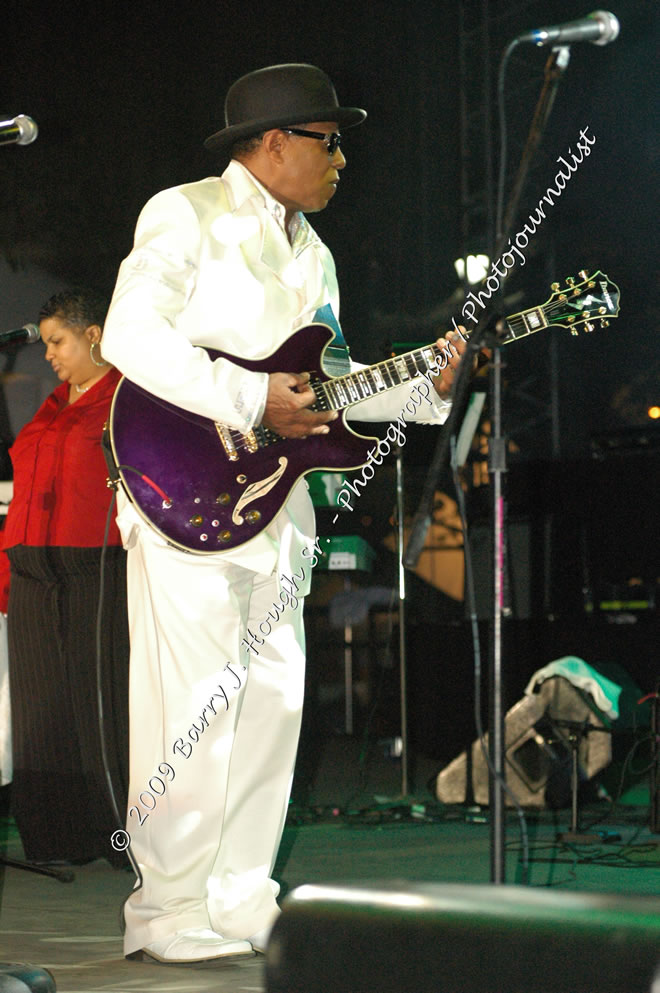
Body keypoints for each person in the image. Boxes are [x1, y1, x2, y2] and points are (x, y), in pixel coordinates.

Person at [102, 63, 469, 964]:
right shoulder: (186, 213)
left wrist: (426, 388)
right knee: (191, 703)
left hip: (279, 507)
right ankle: (168, 908)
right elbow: (129, 334)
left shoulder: (317, 255)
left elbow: (325, 388)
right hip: (178, 489)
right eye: (329, 140)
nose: (342, 157)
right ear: (274, 143)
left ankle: (237, 896)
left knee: (270, 701)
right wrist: (246, 397)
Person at [0, 288, 129, 865]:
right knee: (39, 711)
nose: (48, 353)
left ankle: (119, 833)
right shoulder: (50, 406)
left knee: (99, 703)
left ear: (93, 335)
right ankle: (57, 838)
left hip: (92, 569)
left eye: (59, 341)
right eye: (46, 341)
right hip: (31, 573)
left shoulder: (125, 400)